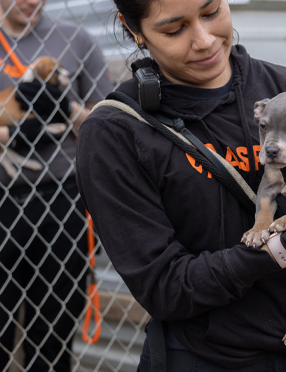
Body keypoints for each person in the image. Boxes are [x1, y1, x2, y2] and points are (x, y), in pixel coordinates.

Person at [76, 0, 286, 371]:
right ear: (135, 31)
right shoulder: (116, 132)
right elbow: (164, 289)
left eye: (211, 12)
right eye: (174, 29)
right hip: (203, 359)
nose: (205, 40)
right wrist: (280, 247)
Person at [0, 0, 113, 371]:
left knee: (53, 328)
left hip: (62, 197)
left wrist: (68, 109)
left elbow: (110, 124)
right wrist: (9, 135)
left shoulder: (75, 39)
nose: (33, 1)